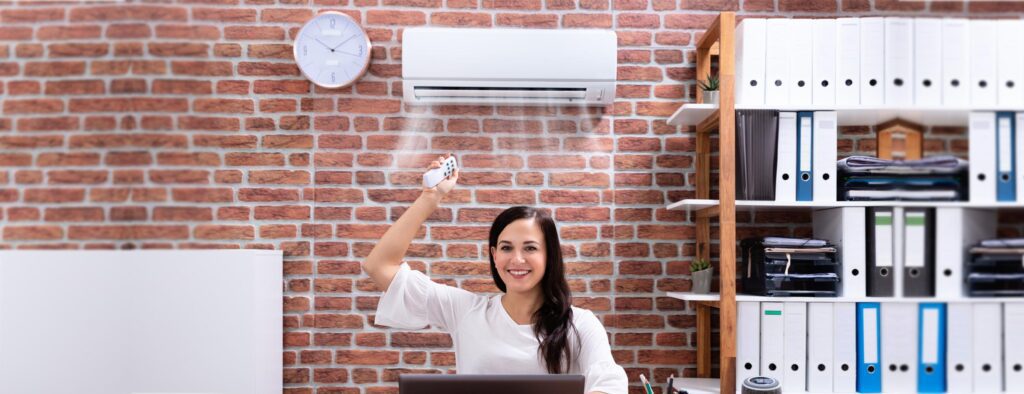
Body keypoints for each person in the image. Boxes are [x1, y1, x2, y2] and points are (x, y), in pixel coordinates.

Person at [363, 154, 628, 394]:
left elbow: (610, 384)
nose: (517, 259)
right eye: (506, 248)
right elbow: (379, 267)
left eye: (530, 248)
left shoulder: (580, 324)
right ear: (494, 255)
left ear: (550, 256)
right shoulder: (465, 311)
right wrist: (430, 198)